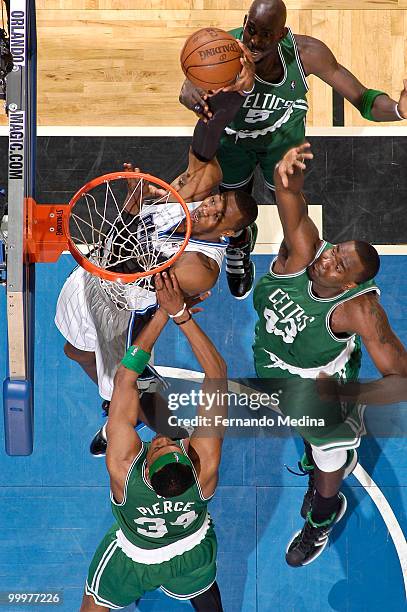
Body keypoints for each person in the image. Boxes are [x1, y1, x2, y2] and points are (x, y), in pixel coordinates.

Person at [179, 0, 407, 300]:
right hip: (234, 144)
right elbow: (188, 88)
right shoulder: (221, 52)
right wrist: (191, 93)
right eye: (251, 30)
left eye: (266, 34)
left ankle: (291, 267)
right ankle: (239, 244)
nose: (255, 41)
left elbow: (363, 99)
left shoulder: (308, 54)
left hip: (283, 146)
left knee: (293, 215)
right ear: (245, 21)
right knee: (232, 208)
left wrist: (398, 110)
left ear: (282, 33)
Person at [252, 142, 407, 567]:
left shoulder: (359, 311)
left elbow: (402, 379)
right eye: (336, 252)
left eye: (339, 267)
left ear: (349, 286)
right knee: (306, 432)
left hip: (320, 380)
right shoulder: (306, 252)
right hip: (272, 359)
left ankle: (322, 516)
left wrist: (348, 397)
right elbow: (290, 203)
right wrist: (289, 178)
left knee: (327, 454)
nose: (328, 262)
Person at [54, 146, 257, 454]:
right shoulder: (188, 200)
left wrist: (134, 204)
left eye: (218, 216)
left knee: (128, 387)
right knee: (76, 352)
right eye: (214, 201)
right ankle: (121, 400)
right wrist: (207, 108)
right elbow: (203, 149)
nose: (208, 209)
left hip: (122, 309)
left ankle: (172, 438)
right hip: (91, 280)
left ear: (228, 232)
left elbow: (122, 264)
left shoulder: (200, 267)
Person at [80, 271, 227, 611]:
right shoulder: (204, 467)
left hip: (134, 557)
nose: (164, 439)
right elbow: (217, 373)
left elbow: (126, 376)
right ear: (188, 462)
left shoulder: (123, 466)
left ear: (145, 462)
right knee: (204, 588)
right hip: (190, 550)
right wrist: (181, 315)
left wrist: (162, 313)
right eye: (172, 445)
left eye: (162, 447)